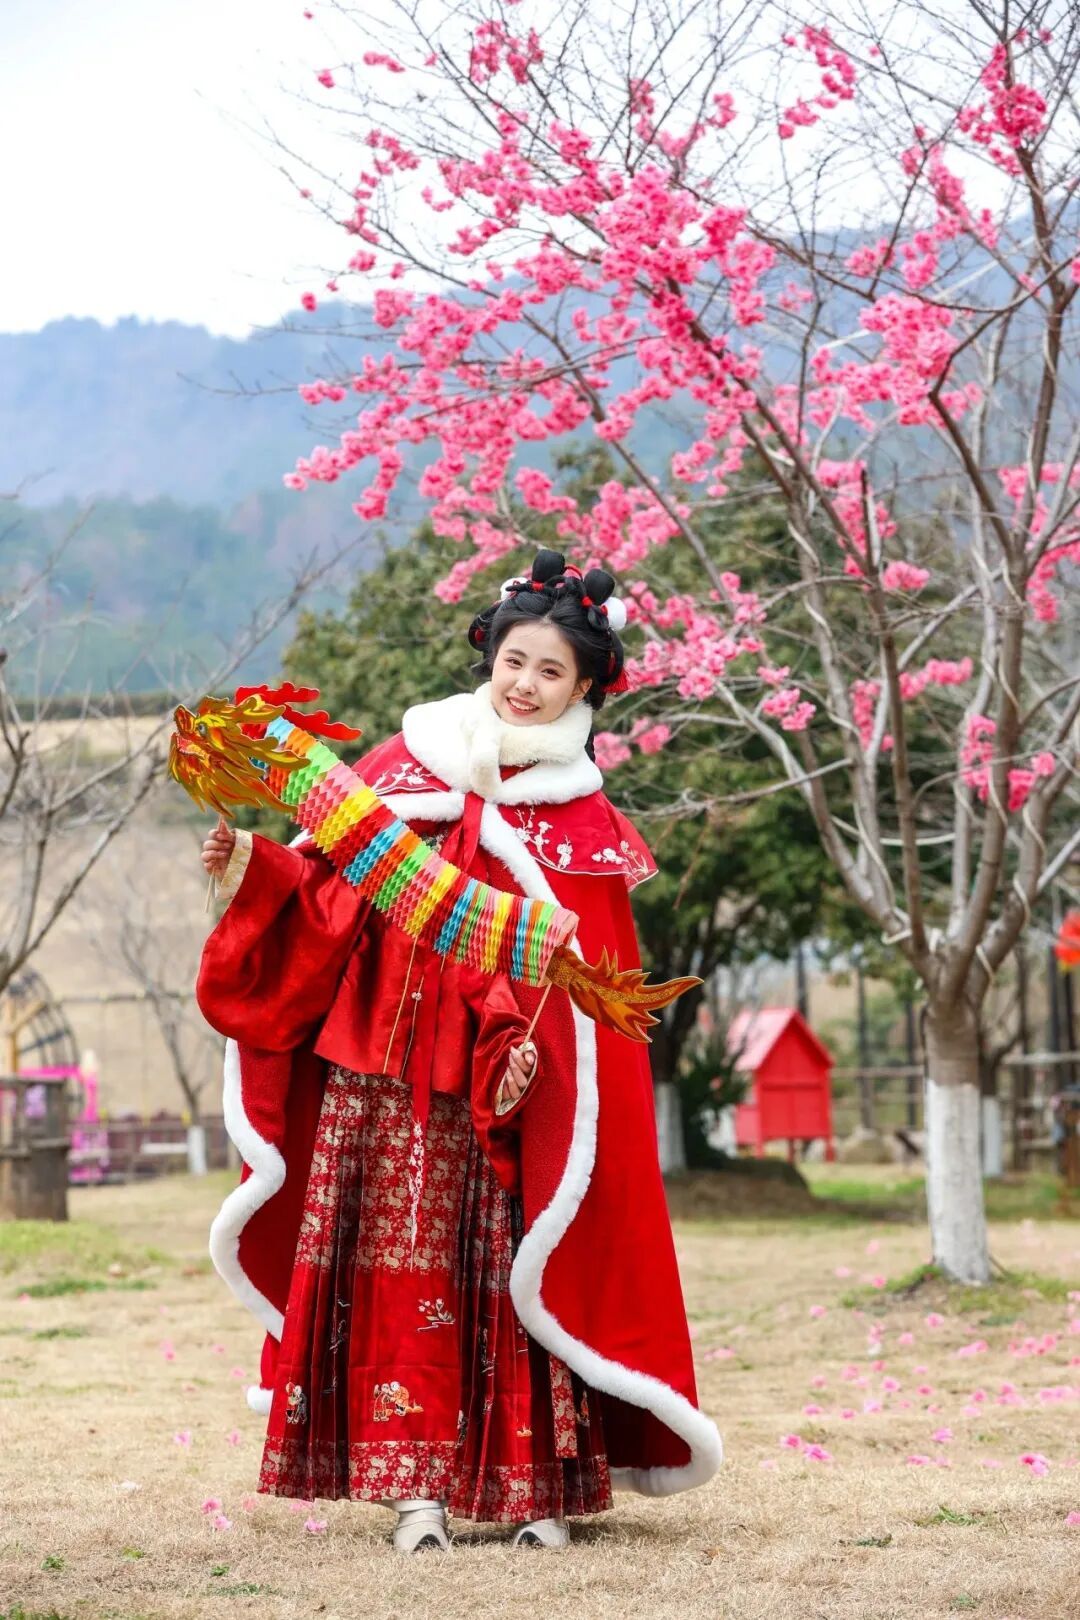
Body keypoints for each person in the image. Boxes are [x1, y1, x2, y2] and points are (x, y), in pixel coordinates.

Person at [196, 549, 722, 1554]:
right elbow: (330, 898)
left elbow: (591, 989)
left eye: (551, 671)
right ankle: (417, 1496)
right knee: (398, 1275)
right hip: (379, 1075)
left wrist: (529, 1053)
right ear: (489, 655)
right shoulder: (405, 768)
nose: (525, 684)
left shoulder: (582, 816)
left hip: (510, 1084)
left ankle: (532, 1492)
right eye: (514, 660)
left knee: (515, 1267)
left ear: (585, 688)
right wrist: (253, 866)